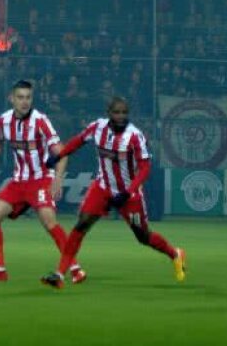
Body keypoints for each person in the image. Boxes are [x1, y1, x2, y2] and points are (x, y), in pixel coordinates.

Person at [40, 96, 186, 289]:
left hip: (129, 193)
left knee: (143, 236)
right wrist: (60, 155)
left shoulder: (134, 136)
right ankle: (59, 275)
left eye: (124, 112)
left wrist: (128, 192)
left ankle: (175, 254)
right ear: (108, 113)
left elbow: (145, 168)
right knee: (82, 224)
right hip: (102, 187)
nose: (120, 116)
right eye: (116, 112)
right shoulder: (97, 127)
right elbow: (78, 140)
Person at [0, 79, 70, 282]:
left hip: (41, 178)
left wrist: (58, 179)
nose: (24, 102)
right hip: (18, 182)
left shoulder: (40, 121)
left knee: (48, 221)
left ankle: (74, 267)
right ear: (11, 98)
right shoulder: (4, 121)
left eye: (28, 97)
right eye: (20, 97)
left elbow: (62, 152)